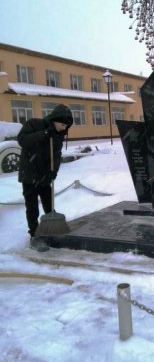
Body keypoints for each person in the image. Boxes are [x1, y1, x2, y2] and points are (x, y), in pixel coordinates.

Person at [17, 104, 73, 252]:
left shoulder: (59, 135)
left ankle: (51, 231)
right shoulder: (34, 124)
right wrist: (44, 134)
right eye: (62, 124)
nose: (64, 128)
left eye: (66, 125)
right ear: (55, 119)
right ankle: (34, 236)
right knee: (32, 206)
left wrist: (54, 172)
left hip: (45, 175)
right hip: (29, 174)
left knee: (49, 204)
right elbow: (22, 140)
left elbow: (57, 155)